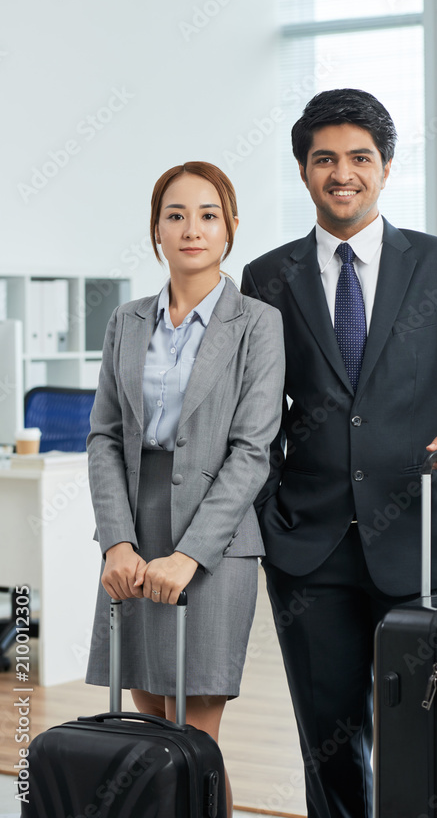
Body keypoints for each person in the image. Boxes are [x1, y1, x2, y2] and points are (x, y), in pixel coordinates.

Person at [241, 89, 437, 818]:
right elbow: (257, 411)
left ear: (385, 168)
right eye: (324, 158)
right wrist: (269, 515)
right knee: (329, 740)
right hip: (308, 544)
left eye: (359, 158)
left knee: (428, 730)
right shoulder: (267, 277)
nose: (342, 173)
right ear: (303, 170)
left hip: (418, 538)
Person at [85, 161, 284, 816]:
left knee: (195, 735)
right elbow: (106, 437)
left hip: (213, 544)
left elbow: (253, 450)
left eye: (207, 215)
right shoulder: (127, 321)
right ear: (156, 232)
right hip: (134, 541)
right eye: (175, 214)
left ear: (229, 229)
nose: (190, 228)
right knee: (148, 730)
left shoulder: (257, 322)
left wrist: (190, 555)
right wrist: (116, 540)